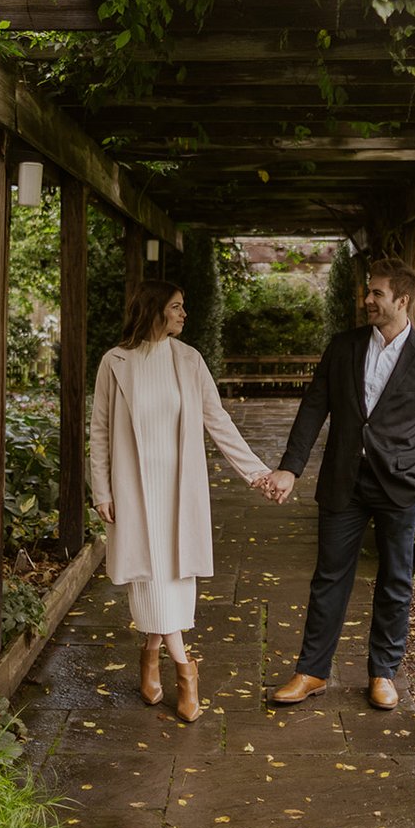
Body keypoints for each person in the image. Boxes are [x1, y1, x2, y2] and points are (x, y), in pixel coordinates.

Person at [265, 258, 415, 711]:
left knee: (396, 581)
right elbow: (314, 407)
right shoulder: (343, 347)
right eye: (367, 292)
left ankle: (383, 674)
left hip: (400, 488)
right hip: (343, 483)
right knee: (328, 578)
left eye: (376, 293)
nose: (367, 299)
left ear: (402, 299)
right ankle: (311, 672)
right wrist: (290, 468)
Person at [90, 279, 273, 722]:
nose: (183, 314)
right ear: (154, 311)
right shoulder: (115, 362)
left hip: (177, 487)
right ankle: (185, 669)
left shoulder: (189, 360)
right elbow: (99, 430)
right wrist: (102, 491)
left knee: (172, 577)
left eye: (184, 306)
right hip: (135, 489)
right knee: (148, 575)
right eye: (176, 306)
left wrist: (257, 472)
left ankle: (150, 654)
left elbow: (218, 419)